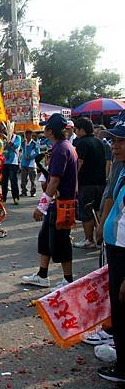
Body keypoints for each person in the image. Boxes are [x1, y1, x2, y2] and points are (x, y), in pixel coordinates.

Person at [22, 114, 78, 288]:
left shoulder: (61, 149)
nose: (43, 130)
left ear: (50, 131)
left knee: (60, 241)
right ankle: (42, 274)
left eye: (45, 127)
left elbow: (54, 180)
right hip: (58, 202)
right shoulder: (63, 146)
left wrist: (41, 207)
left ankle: (68, 279)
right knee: (45, 238)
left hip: (62, 203)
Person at [95, 118, 125, 383]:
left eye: (121, 141)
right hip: (117, 249)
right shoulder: (123, 170)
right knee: (118, 305)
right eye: (113, 140)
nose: (114, 146)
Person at [73, 117, 106, 249]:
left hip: (86, 183)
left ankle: (89, 240)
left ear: (82, 130)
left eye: (76, 129)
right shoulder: (100, 142)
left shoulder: (82, 143)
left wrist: (73, 179)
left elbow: (79, 163)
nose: (75, 132)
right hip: (101, 182)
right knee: (98, 210)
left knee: (86, 212)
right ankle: (100, 238)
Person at [0, 129, 22, 205]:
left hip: (13, 162)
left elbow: (16, 145)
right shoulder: (3, 139)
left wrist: (8, 140)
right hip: (4, 162)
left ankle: (16, 198)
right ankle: (3, 198)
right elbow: (1, 148)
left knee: (13, 181)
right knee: (4, 181)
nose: (6, 133)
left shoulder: (17, 137)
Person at [20, 130, 39, 197]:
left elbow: (37, 153)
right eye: (26, 134)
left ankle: (33, 192)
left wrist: (31, 157)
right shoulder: (22, 143)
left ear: (31, 135)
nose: (27, 136)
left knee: (32, 180)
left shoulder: (35, 143)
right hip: (23, 163)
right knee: (23, 179)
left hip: (31, 164)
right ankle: (24, 192)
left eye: (28, 134)